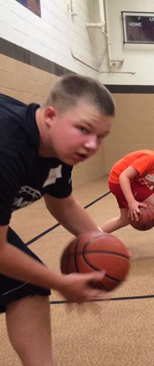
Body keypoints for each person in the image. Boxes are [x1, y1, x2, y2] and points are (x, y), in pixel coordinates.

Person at [0, 74, 116, 365]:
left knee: (28, 289)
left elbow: (63, 205)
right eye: (84, 129)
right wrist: (61, 281)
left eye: (101, 137)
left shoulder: (60, 152)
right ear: (50, 115)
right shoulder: (7, 148)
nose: (92, 145)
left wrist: (106, 244)